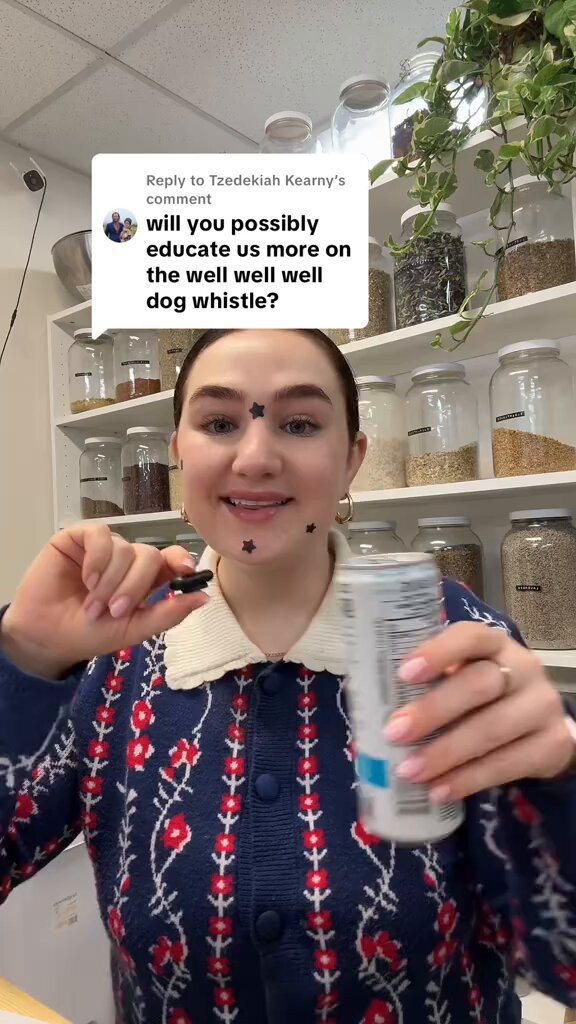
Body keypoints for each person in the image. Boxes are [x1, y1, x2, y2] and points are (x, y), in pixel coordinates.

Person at [1, 328, 575, 1024]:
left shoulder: (455, 640)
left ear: (352, 460)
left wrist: (561, 782)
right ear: (179, 453)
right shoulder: (113, 652)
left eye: (299, 424)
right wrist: (25, 656)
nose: (255, 457)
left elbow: (561, 957)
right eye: (219, 424)